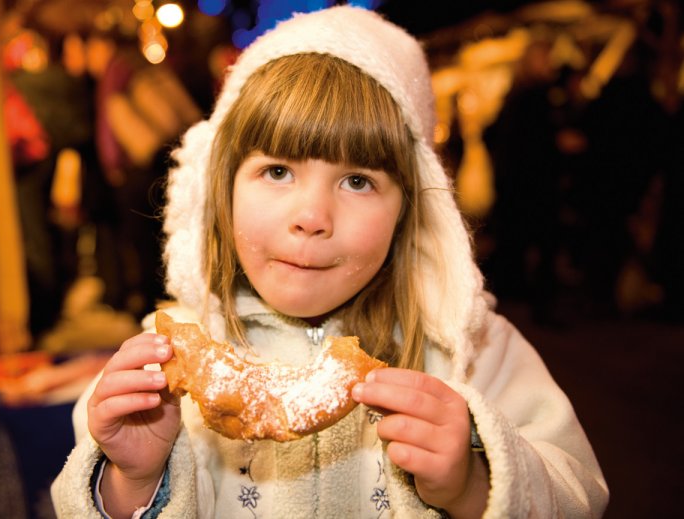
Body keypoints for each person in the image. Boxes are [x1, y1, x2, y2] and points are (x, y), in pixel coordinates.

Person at [51, 6, 608, 518]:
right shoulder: (159, 366)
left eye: (358, 180)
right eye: (277, 171)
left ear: (410, 210)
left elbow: (579, 495)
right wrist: (132, 483)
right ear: (220, 190)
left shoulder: (474, 351)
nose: (312, 215)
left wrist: (473, 482)